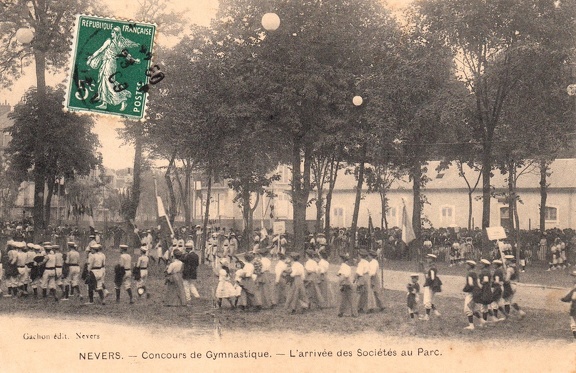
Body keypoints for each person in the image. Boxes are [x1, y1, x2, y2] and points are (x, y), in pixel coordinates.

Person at [86, 26, 141, 111]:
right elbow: (126, 55)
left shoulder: (111, 41)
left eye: (112, 32)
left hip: (109, 63)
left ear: (116, 33)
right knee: (104, 81)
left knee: (108, 82)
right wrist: (134, 60)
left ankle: (123, 99)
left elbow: (100, 50)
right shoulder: (120, 43)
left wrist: (91, 58)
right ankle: (104, 103)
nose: (111, 34)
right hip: (108, 63)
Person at [462, 260, 486, 330]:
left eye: (467, 265)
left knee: (467, 309)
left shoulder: (469, 274)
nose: (466, 266)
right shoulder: (475, 273)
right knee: (473, 308)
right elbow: (478, 283)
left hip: (471, 293)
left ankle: (471, 325)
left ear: (470, 266)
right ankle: (482, 321)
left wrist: (466, 288)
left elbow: (471, 284)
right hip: (476, 292)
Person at [420, 254, 442, 321]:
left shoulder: (432, 268)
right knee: (430, 300)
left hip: (431, 285)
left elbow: (432, 277)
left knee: (427, 300)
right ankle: (436, 312)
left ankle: (427, 316)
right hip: (434, 285)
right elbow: (427, 272)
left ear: (431, 259)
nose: (427, 259)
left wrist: (428, 281)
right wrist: (423, 266)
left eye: (428, 258)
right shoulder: (432, 266)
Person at [356, 249, 376, 313]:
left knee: (360, 292)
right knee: (368, 292)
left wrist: (355, 278)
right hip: (368, 277)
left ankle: (360, 307)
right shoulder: (367, 262)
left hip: (363, 277)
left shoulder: (361, 263)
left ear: (360, 256)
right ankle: (370, 307)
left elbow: (359, 272)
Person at [337, 253, 357, 317]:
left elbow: (343, 276)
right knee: (345, 298)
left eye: (340, 259)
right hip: (347, 283)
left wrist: (340, 282)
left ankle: (353, 313)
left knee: (348, 298)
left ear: (342, 260)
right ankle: (341, 312)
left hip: (346, 283)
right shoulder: (347, 267)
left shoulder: (343, 266)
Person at [560, 270, 576, 342]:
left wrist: (563, 298)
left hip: (574, 309)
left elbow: (567, 298)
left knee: (573, 324)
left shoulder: (574, 289)